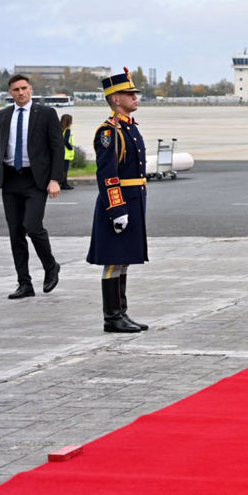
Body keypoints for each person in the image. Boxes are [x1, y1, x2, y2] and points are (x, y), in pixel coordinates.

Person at [0, 75, 64, 299]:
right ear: (10, 92)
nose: (20, 92)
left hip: (35, 180)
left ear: (31, 89)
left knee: (32, 226)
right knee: (16, 233)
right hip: (11, 180)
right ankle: (24, 283)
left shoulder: (45, 114)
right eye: (15, 89)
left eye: (24, 88)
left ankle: (50, 266)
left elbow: (57, 148)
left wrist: (55, 179)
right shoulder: (4, 115)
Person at [85, 70, 150, 333]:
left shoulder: (128, 127)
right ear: (114, 99)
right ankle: (111, 317)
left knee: (123, 259)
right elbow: (108, 175)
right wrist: (117, 209)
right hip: (120, 204)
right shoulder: (109, 132)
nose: (135, 97)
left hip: (134, 200)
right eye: (129, 93)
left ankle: (121, 312)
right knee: (114, 260)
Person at [59, 114, 76, 189]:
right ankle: (64, 184)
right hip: (66, 153)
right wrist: (70, 147)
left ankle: (61, 183)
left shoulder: (60, 129)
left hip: (60, 152)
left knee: (61, 169)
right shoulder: (67, 130)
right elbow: (65, 140)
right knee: (65, 169)